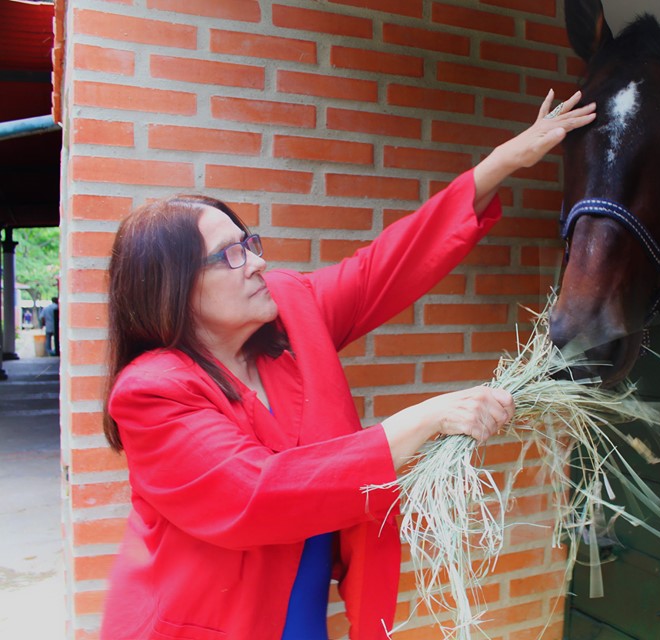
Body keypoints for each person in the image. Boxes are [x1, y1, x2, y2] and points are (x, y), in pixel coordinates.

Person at [100, 90, 596, 640]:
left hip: (301, 610)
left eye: (251, 243)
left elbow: (383, 268)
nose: (259, 262)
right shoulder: (151, 394)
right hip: (206, 623)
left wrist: (502, 163)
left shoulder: (288, 312)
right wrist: (424, 419)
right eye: (231, 254)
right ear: (173, 290)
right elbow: (257, 495)